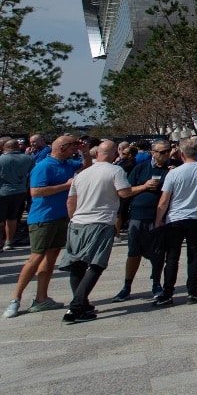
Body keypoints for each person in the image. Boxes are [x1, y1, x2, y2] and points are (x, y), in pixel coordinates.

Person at [6, 135, 91, 318]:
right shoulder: (44, 166)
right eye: (72, 148)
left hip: (60, 217)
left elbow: (86, 166)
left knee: (51, 258)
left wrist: (84, 152)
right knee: (35, 258)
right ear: (62, 148)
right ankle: (15, 299)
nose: (74, 151)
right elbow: (36, 192)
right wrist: (65, 186)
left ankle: (41, 297)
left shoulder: (68, 163)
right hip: (42, 218)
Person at [58, 140, 131, 323]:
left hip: (78, 222)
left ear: (97, 153)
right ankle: (75, 307)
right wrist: (143, 187)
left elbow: (70, 201)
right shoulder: (116, 171)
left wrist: (73, 218)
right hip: (101, 221)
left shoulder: (81, 174)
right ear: (115, 153)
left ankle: (81, 302)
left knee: (77, 264)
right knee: (97, 264)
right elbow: (124, 193)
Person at [154, 138, 197, 307]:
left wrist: (158, 220)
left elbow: (164, 200)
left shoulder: (174, 173)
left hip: (175, 217)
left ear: (181, 154)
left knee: (172, 257)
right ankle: (192, 291)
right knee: (194, 255)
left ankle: (168, 293)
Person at [113, 140, 174, 302]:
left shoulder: (173, 168)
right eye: (161, 152)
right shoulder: (141, 168)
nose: (166, 154)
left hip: (161, 217)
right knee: (134, 252)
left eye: (167, 151)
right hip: (138, 216)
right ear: (152, 153)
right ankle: (127, 286)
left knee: (158, 253)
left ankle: (156, 283)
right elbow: (126, 191)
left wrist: (175, 174)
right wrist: (144, 187)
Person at [0, 138, 36, 251]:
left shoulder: (1, 159)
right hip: (20, 191)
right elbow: (33, 174)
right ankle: (9, 241)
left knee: (0, 219)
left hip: (3, 191)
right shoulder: (28, 158)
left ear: (5, 147)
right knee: (13, 217)